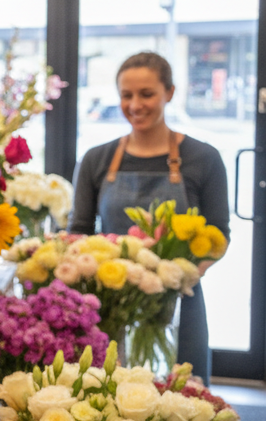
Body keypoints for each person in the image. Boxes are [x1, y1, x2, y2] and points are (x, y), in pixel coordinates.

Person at [70, 51, 229, 381]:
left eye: (146, 94)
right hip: (112, 306)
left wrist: (173, 279)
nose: (135, 105)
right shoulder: (96, 160)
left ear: (169, 93)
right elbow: (79, 231)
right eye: (126, 95)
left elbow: (219, 235)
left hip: (179, 305)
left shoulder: (203, 158)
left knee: (183, 407)